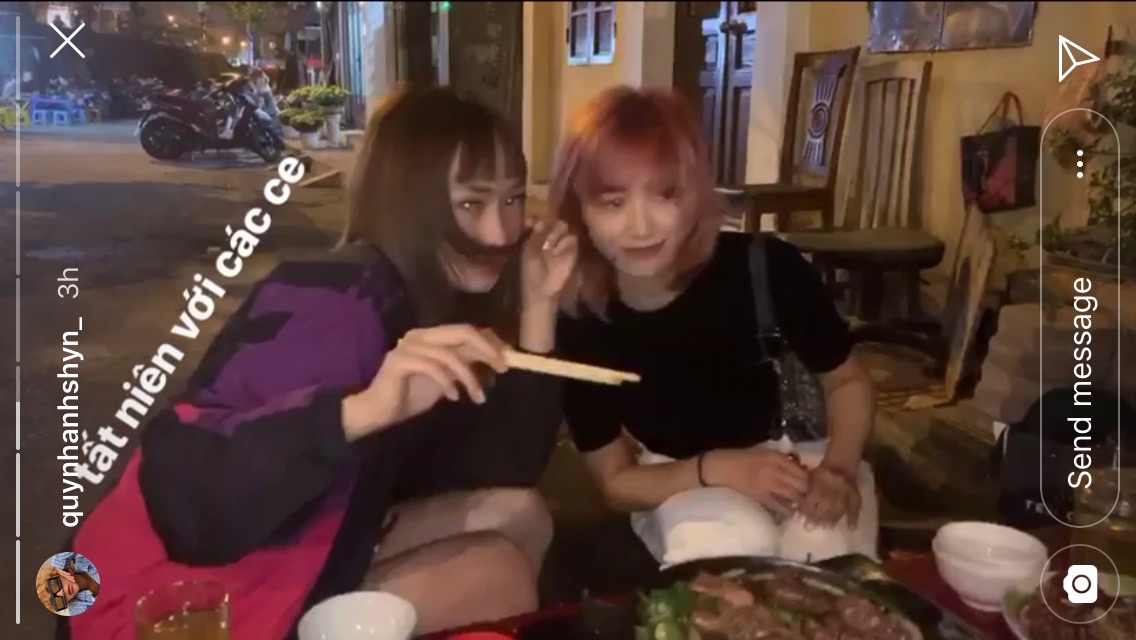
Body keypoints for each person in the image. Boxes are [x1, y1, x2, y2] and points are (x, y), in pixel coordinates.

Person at [62, 86, 578, 639]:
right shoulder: (329, 300)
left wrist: (540, 308)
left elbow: (505, 468)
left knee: (522, 515)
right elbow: (189, 493)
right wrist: (363, 412)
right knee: (494, 576)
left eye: (512, 199)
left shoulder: (441, 303)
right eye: (472, 204)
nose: (500, 231)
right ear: (408, 202)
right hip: (179, 591)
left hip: (320, 535)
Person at [551, 86, 878, 567]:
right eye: (613, 202)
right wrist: (720, 470)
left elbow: (847, 380)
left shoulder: (768, 267)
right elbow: (615, 483)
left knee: (827, 559)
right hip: (677, 475)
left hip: (800, 454)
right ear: (579, 213)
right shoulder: (583, 319)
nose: (640, 226)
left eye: (665, 194)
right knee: (729, 557)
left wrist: (840, 469)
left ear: (697, 196)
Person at [36, 553, 100, 617]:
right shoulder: (79, 608)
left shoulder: (82, 559)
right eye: (56, 601)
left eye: (53, 587)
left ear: (55, 573)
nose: (62, 593)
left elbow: (63, 553)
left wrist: (59, 565)